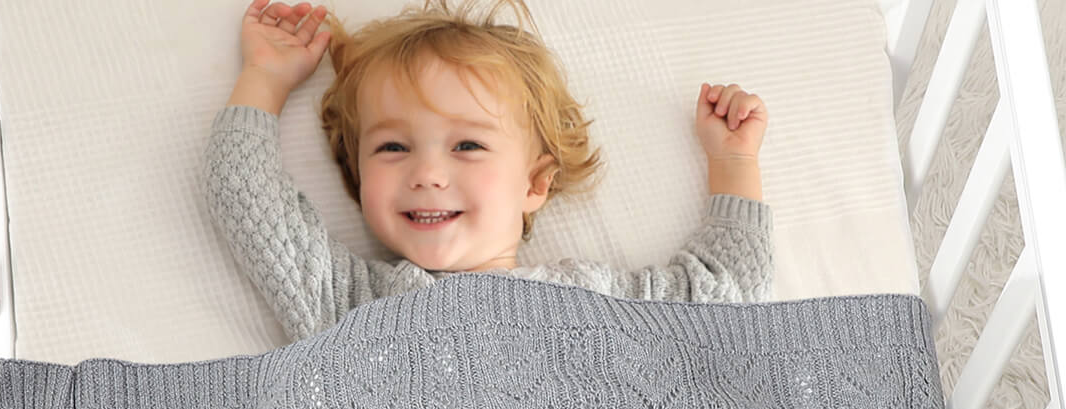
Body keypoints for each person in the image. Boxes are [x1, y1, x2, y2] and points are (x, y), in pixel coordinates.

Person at [203, 0, 772, 344]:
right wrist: (265, 79)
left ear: (535, 183)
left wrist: (733, 162)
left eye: (468, 145)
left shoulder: (596, 302)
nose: (427, 173)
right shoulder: (349, 303)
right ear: (358, 176)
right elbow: (249, 199)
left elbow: (726, 295)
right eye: (393, 147)